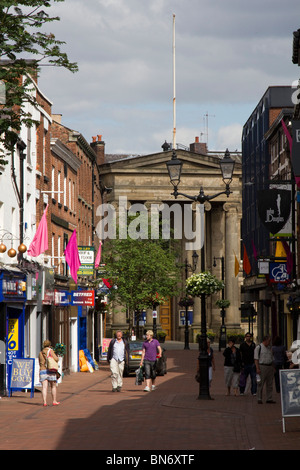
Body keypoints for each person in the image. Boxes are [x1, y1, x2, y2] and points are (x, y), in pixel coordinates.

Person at [254, 335, 275, 404]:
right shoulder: (258, 348)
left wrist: (273, 367)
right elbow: (256, 359)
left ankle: (269, 398)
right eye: (269, 341)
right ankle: (259, 398)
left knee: (270, 384)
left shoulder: (269, 348)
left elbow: (272, 358)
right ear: (265, 340)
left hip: (269, 366)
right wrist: (257, 368)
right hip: (262, 366)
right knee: (260, 383)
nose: (269, 342)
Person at [38, 340, 60, 407]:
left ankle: (44, 402)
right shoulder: (50, 351)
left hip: (42, 370)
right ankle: (54, 401)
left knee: (44, 387)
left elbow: (40, 362)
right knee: (53, 386)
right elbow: (56, 359)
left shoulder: (40, 353)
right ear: (49, 345)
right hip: (50, 370)